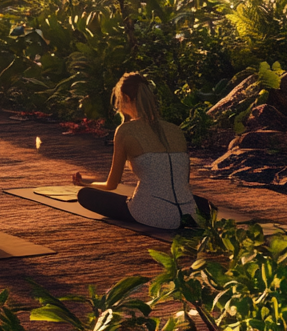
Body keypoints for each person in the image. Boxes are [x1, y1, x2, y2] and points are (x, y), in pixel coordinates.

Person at [72, 72, 211, 230]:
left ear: (126, 98)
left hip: (150, 214)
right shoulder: (175, 130)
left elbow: (111, 185)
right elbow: (183, 183)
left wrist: (86, 184)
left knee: (85, 195)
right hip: (189, 214)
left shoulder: (125, 131)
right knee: (202, 203)